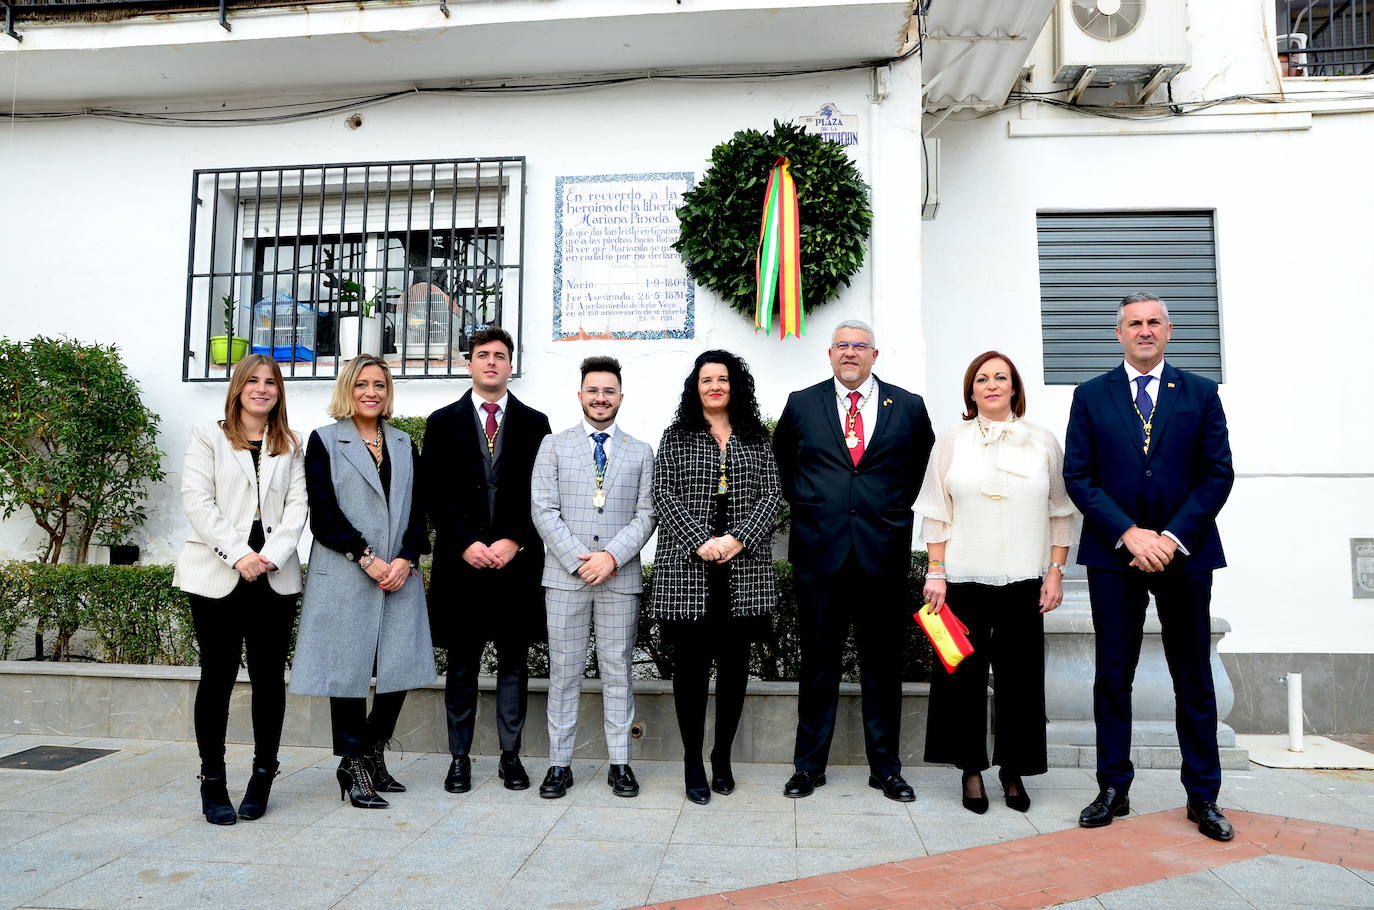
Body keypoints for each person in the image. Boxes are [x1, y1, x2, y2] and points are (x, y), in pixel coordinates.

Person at [1064, 292, 1235, 841]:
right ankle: (1113, 787)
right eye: (1134, 323)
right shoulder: (1090, 396)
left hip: (1185, 555)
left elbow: (1217, 474)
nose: (1144, 330)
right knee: (1114, 675)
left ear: (1169, 331)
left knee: (1194, 677)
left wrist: (1170, 537)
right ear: (1118, 333)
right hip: (1115, 557)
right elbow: (1079, 476)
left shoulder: (1201, 393)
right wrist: (1129, 534)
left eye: (1153, 322)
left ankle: (1203, 796)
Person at [774, 319, 935, 802]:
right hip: (820, 555)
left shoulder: (907, 406)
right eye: (842, 346)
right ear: (830, 354)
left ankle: (886, 768)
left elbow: (922, 466)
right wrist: (811, 503)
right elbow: (783, 461)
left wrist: (889, 510)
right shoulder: (803, 404)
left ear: (874, 355)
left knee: (882, 666)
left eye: (859, 346)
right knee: (818, 663)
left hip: (881, 555)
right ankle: (808, 767)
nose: (850, 353)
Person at [915, 350, 1075, 814]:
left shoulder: (1041, 440)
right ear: (971, 390)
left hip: (1025, 581)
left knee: (1021, 682)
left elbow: (1061, 512)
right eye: (982, 379)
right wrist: (936, 573)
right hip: (961, 581)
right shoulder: (950, 441)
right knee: (959, 679)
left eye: (1000, 378)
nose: (991, 385)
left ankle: (1013, 771)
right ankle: (969, 770)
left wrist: (1055, 572)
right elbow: (936, 511)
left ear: (1014, 387)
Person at [289, 354, 435, 809]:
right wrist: (367, 557)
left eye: (379, 384)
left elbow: (419, 510)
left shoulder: (404, 443)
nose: (371, 392)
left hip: (399, 573)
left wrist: (406, 557)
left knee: (400, 667)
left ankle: (372, 750)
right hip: (347, 570)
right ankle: (353, 764)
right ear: (347, 390)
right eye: (362, 385)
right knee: (347, 670)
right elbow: (324, 511)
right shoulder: (325, 441)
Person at [175, 354, 308, 825]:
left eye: (270, 382)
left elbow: (297, 507)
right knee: (218, 677)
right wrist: (240, 554)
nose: (262, 388)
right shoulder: (208, 435)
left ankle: (263, 775)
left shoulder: (289, 442)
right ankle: (213, 780)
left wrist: (270, 554)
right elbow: (198, 500)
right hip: (218, 571)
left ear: (279, 392)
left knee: (269, 679)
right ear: (237, 387)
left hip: (273, 572)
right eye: (252, 380)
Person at [647, 350, 781, 804]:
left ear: (734, 386)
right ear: (696, 387)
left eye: (723, 379)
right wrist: (701, 540)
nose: (715, 386)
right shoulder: (677, 436)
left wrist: (738, 538)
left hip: (741, 571)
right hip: (690, 570)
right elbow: (662, 493)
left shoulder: (756, 437)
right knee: (689, 673)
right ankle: (692, 761)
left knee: (734, 671)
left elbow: (773, 493)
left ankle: (722, 757)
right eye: (707, 379)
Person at [424, 326, 552, 793]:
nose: (492, 362)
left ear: (510, 365)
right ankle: (459, 758)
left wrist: (515, 539)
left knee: (514, 664)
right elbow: (433, 493)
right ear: (469, 363)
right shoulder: (441, 422)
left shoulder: (536, 423)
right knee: (462, 665)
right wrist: (463, 543)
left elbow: (542, 493)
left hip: (516, 566)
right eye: (483, 355)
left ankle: (510, 756)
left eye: (500, 355)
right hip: (464, 567)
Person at [531, 356, 657, 799]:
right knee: (564, 671)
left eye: (609, 391)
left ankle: (620, 763)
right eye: (593, 390)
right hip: (566, 578)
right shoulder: (554, 445)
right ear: (580, 394)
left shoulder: (641, 451)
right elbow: (543, 510)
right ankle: (559, 764)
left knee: (617, 669)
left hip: (619, 579)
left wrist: (611, 558)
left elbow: (647, 514)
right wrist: (579, 560)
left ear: (620, 397)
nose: (600, 398)